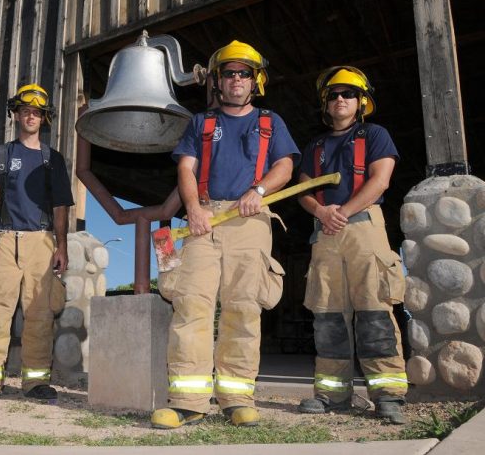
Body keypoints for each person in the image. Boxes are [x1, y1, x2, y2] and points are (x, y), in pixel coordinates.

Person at [152, 40, 299, 429]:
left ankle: (236, 398)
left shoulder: (271, 121)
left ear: (256, 81)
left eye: (244, 73)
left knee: (244, 307)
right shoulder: (201, 123)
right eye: (229, 73)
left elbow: (284, 166)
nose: (236, 79)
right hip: (204, 219)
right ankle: (187, 400)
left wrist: (259, 191)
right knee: (191, 305)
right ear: (218, 81)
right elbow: (186, 168)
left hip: (250, 219)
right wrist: (195, 209)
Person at [297, 66, 408, 424]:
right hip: (325, 233)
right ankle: (331, 395)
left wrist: (340, 212)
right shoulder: (314, 146)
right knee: (327, 314)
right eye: (333, 95)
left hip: (363, 227)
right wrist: (320, 212)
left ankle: (388, 395)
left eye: (348, 94)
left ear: (361, 102)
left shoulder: (375, 134)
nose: (340, 99)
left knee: (375, 309)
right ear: (326, 105)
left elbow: (381, 180)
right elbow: (302, 190)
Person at [0, 83, 74, 403]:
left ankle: (35, 382)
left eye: (37, 113)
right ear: (16, 115)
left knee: (40, 314)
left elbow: (60, 207)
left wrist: (61, 246)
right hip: (3, 237)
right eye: (25, 111)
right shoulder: (1, 154)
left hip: (40, 242)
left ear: (44, 119)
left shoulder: (52, 159)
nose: (31, 116)